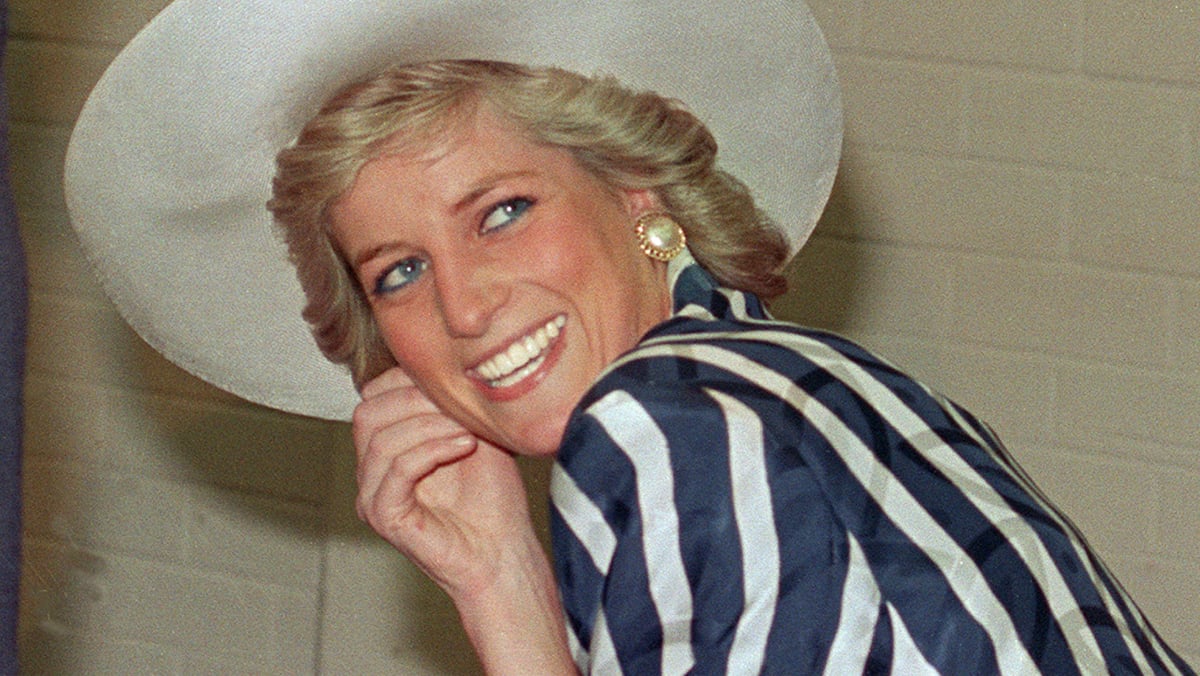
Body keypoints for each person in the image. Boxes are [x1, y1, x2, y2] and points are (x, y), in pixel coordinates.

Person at [63, 1, 1193, 673]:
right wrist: (504, 582)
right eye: (399, 272)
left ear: (639, 194)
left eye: (502, 211)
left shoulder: (664, 421)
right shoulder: (833, 392)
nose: (463, 308)